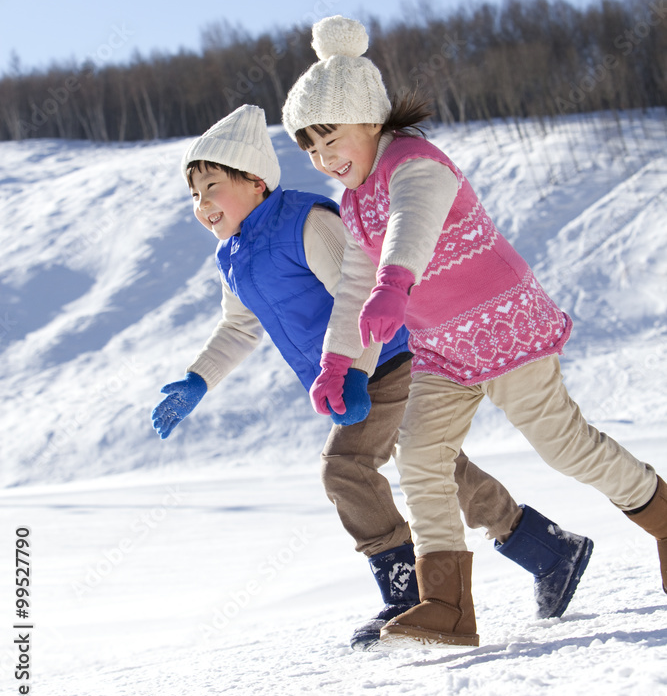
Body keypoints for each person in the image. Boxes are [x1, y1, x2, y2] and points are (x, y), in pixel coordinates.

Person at [281, 14, 667, 651]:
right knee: (423, 459)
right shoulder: (353, 203)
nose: (325, 159)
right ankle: (448, 607)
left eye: (332, 139)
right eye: (311, 149)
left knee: (565, 446)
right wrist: (340, 361)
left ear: (371, 121)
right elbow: (353, 284)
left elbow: (413, 226)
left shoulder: (415, 164)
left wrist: (394, 285)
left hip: (503, 329)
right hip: (443, 351)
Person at [151, 103, 594, 650]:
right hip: (355, 374)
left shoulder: (306, 223)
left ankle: (406, 589)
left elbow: (355, 294)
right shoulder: (233, 256)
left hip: (390, 358)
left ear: (256, 180)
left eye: (212, 186)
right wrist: (197, 381)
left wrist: (354, 370)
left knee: (345, 467)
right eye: (194, 195)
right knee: (436, 466)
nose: (202, 204)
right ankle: (547, 548)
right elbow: (239, 329)